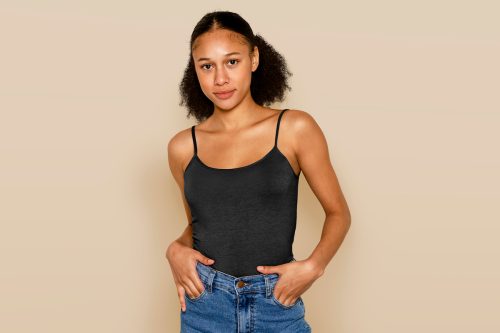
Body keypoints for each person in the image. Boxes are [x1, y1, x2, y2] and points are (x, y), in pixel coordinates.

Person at [166, 10, 351, 332]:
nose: (220, 78)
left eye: (232, 62)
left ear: (254, 58)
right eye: (206, 66)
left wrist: (313, 266)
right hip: (205, 306)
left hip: (275, 304)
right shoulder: (183, 147)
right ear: (194, 70)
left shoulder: (294, 128)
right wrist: (176, 249)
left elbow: (338, 213)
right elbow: (200, 226)